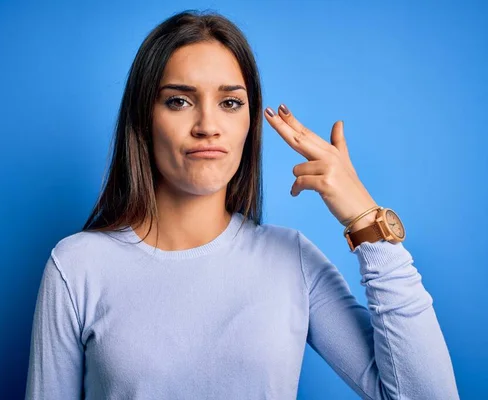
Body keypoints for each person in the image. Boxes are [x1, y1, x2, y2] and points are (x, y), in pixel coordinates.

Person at [25, 10, 459, 400]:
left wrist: (367, 221)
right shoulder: (77, 266)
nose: (208, 126)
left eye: (230, 102)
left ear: (250, 124)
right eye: (179, 100)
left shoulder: (292, 261)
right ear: (144, 118)